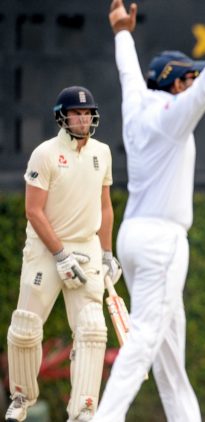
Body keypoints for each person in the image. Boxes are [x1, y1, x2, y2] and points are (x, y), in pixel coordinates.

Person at [93, 1, 205, 421]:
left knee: (168, 354)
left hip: (133, 236)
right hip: (162, 242)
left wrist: (122, 33)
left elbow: (129, 73)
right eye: (188, 78)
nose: (194, 83)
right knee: (145, 339)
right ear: (176, 84)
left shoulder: (137, 106)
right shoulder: (172, 115)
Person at [5, 86, 118, 422]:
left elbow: (105, 207)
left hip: (87, 247)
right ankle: (21, 398)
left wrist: (107, 253)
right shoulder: (45, 154)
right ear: (62, 117)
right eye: (76, 113)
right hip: (45, 247)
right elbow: (33, 211)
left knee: (92, 329)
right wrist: (60, 255)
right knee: (25, 326)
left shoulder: (102, 152)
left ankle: (83, 410)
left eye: (87, 113)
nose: (83, 119)